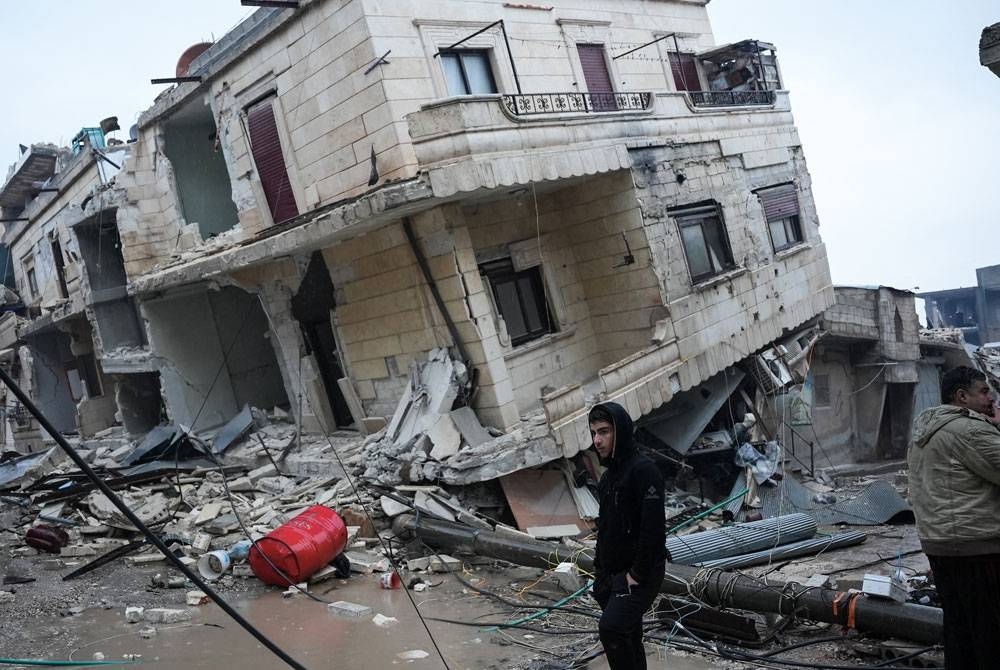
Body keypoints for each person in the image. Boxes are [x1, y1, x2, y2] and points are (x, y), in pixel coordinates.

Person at [909, 366, 1000, 669]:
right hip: (977, 545)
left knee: (960, 632)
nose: (991, 398)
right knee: (990, 634)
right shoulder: (971, 430)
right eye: (984, 391)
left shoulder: (926, 429)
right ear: (962, 396)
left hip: (939, 544)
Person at [589, 401, 666, 670]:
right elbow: (607, 527)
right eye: (594, 433)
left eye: (604, 432)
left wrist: (635, 576)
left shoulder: (644, 471)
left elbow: (654, 532)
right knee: (629, 634)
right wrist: (600, 570)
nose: (597, 440)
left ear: (619, 431)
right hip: (611, 575)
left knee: (612, 629)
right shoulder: (609, 477)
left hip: (637, 575)